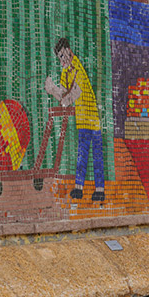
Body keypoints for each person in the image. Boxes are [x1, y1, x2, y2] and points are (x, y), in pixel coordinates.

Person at [44, 37, 105, 202]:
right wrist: (52, 89)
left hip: (92, 118)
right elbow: (63, 95)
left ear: (69, 51)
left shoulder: (77, 67)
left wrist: (57, 94)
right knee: (82, 154)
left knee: (97, 155)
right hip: (81, 119)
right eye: (60, 58)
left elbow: (73, 95)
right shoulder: (65, 71)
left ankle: (100, 189)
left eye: (64, 55)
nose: (62, 60)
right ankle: (79, 188)